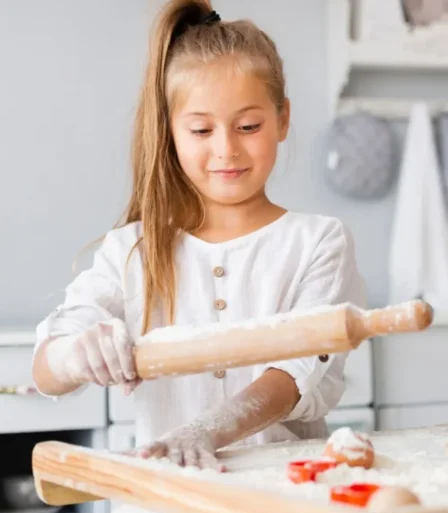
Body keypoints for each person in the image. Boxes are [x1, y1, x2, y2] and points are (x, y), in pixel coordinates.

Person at [32, 0, 365, 475]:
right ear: (171, 133)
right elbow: (46, 370)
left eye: (248, 126)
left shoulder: (318, 242)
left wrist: (205, 430)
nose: (226, 148)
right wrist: (73, 355)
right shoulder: (132, 250)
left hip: (288, 494)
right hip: (173, 491)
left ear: (283, 119)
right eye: (201, 129)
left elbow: (294, 375)